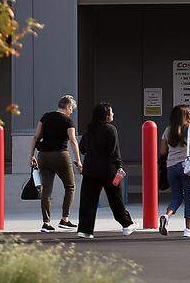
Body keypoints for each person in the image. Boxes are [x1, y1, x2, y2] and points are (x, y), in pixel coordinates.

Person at [76, 103, 135, 238]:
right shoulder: (110, 129)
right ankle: (126, 224)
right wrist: (119, 166)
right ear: (106, 115)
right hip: (108, 170)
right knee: (115, 200)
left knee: (88, 201)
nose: (113, 114)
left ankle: (85, 230)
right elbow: (114, 152)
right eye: (111, 112)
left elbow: (82, 148)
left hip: (90, 170)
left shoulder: (89, 130)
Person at [28, 94, 83, 233]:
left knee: (46, 190)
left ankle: (46, 223)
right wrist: (78, 160)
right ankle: (64, 220)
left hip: (43, 156)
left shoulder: (45, 117)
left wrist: (31, 155)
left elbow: (36, 136)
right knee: (70, 186)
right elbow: (72, 141)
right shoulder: (68, 121)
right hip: (60, 155)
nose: (72, 112)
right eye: (72, 109)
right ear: (68, 107)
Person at [159, 105, 190, 238]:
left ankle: (166, 216)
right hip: (187, 167)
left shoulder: (168, 130)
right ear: (186, 116)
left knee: (176, 196)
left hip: (171, 167)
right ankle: (188, 229)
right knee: (189, 197)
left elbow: (162, 151)